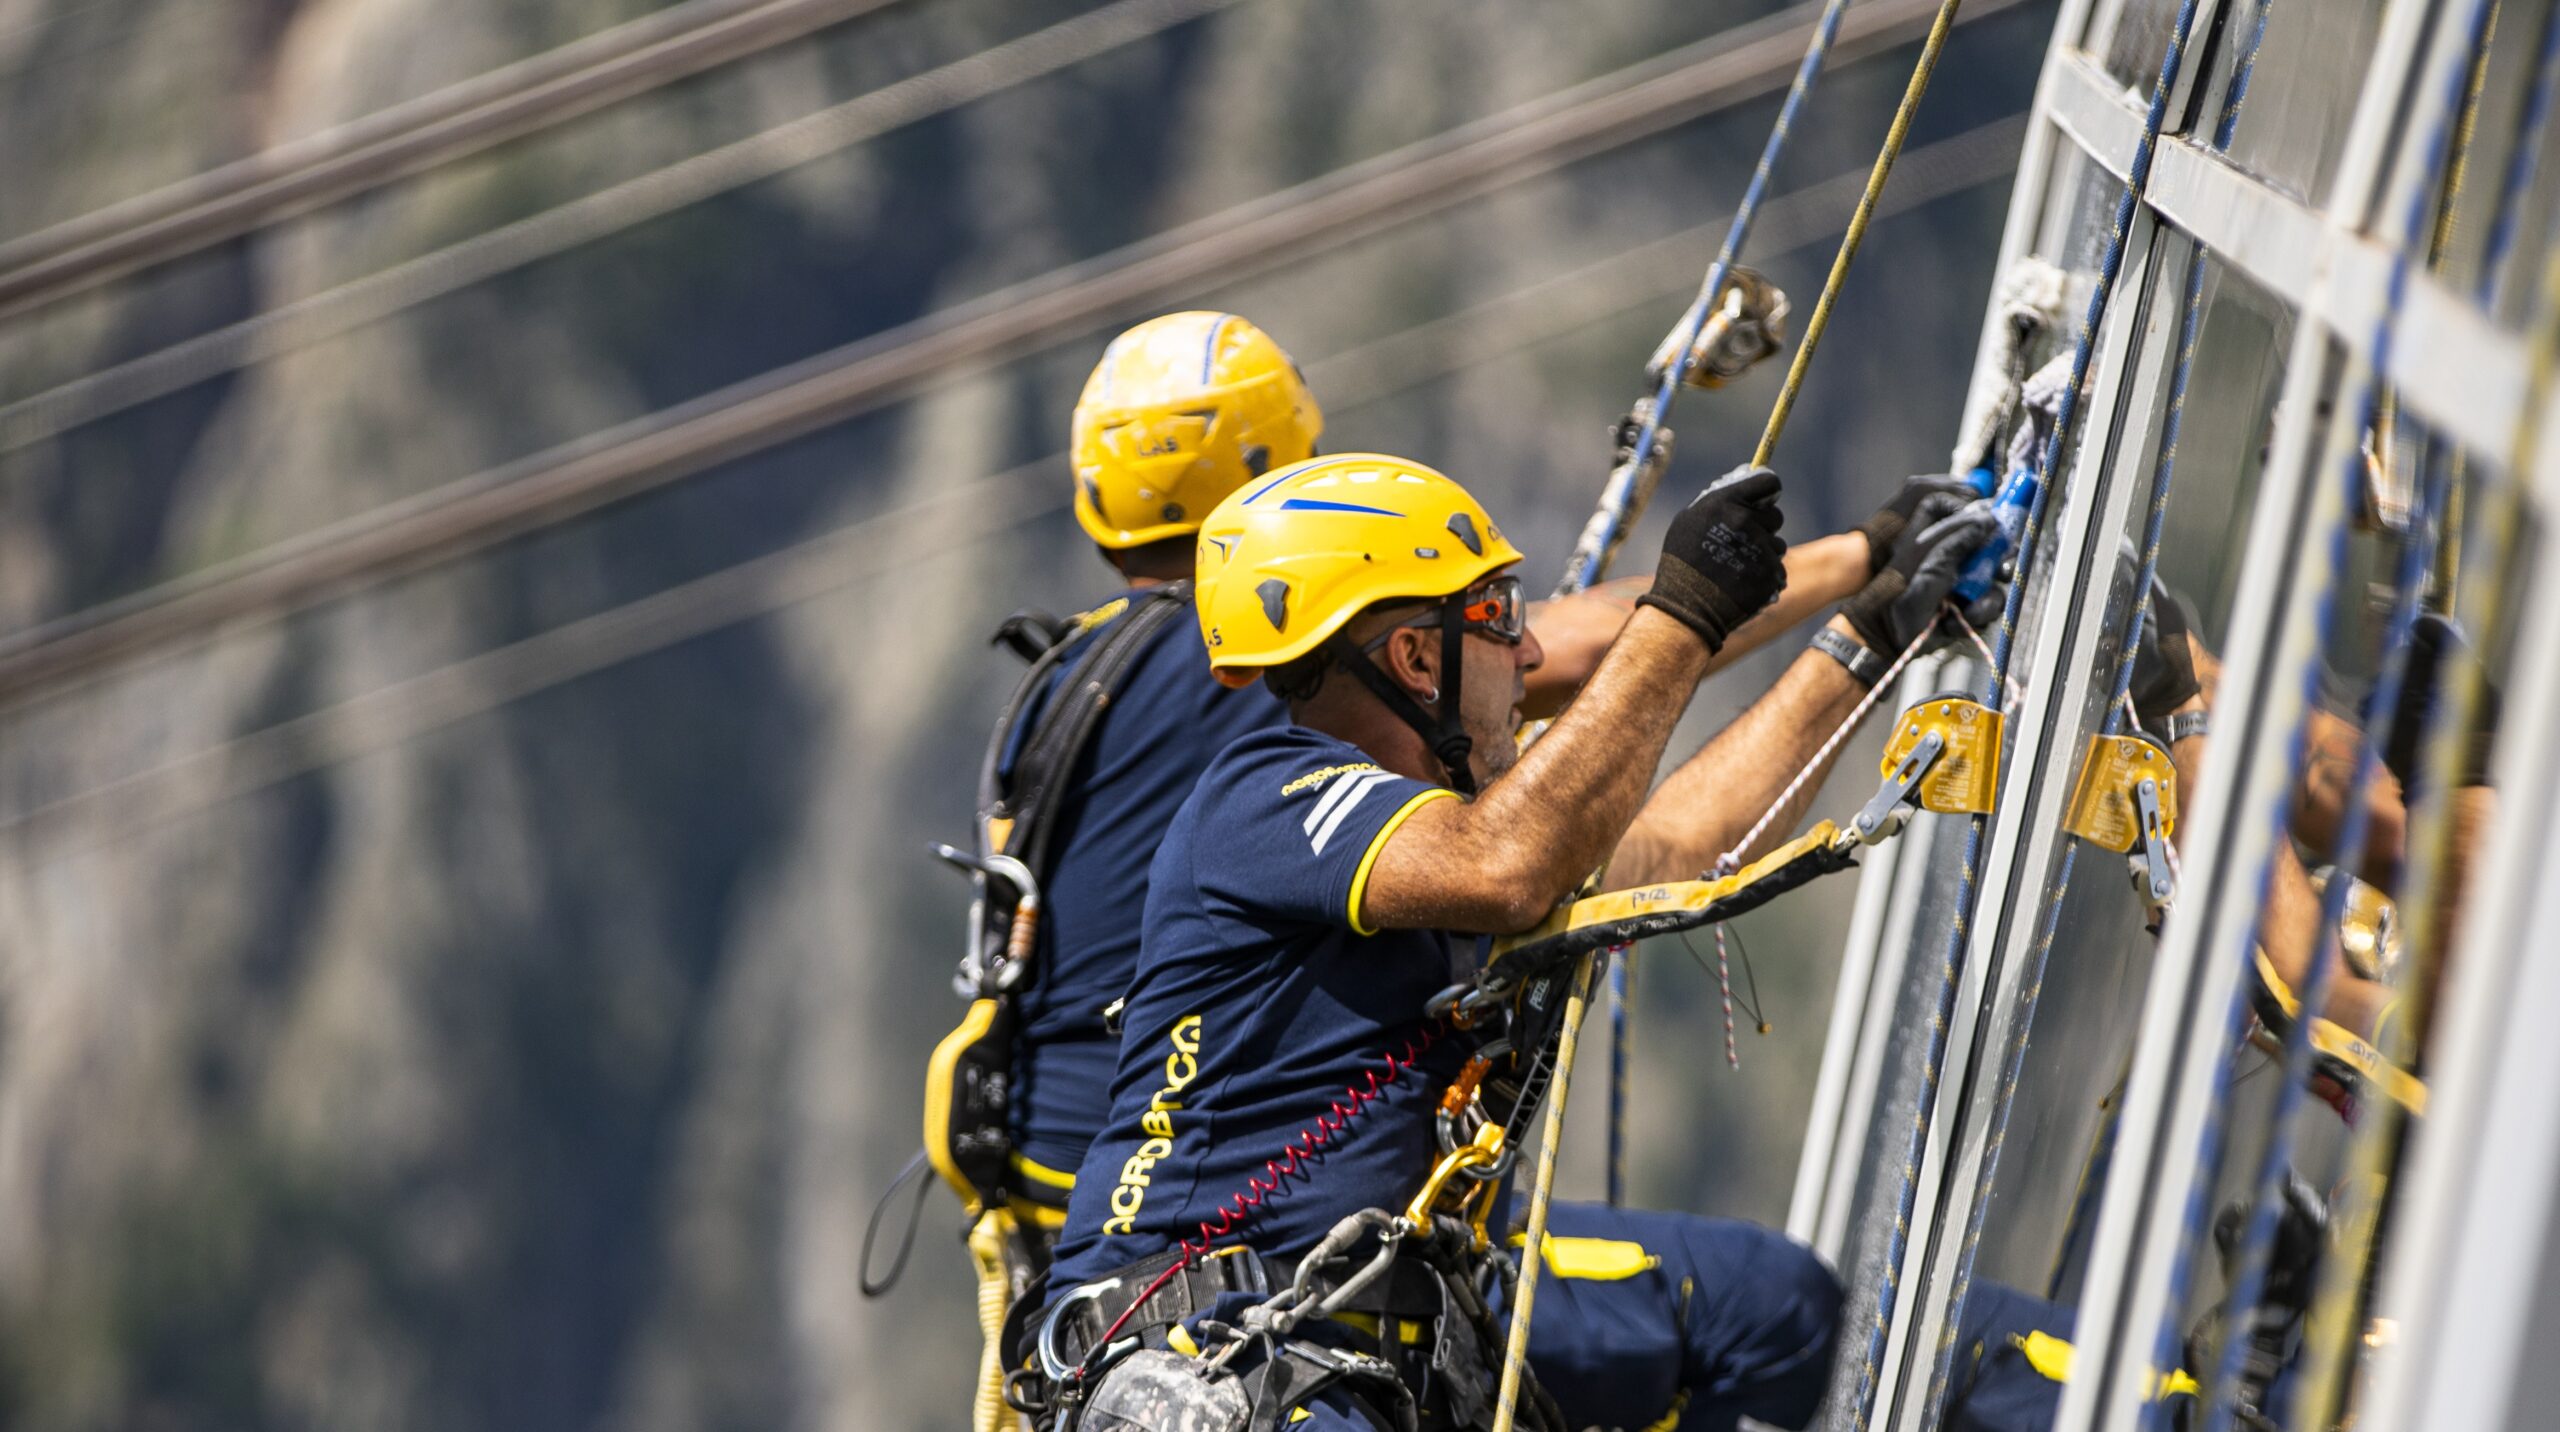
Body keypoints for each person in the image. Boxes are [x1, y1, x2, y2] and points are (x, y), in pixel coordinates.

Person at [1030, 452, 2005, 1431]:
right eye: (1499, 615)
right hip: (1215, 1361)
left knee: (1778, 1309)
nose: (1531, 654)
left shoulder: (1427, 838)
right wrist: (1682, 613)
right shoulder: (1264, 799)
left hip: (1348, 1345)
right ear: (1414, 659)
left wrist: (1869, 636)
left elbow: (1677, 844)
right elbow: (1509, 864)